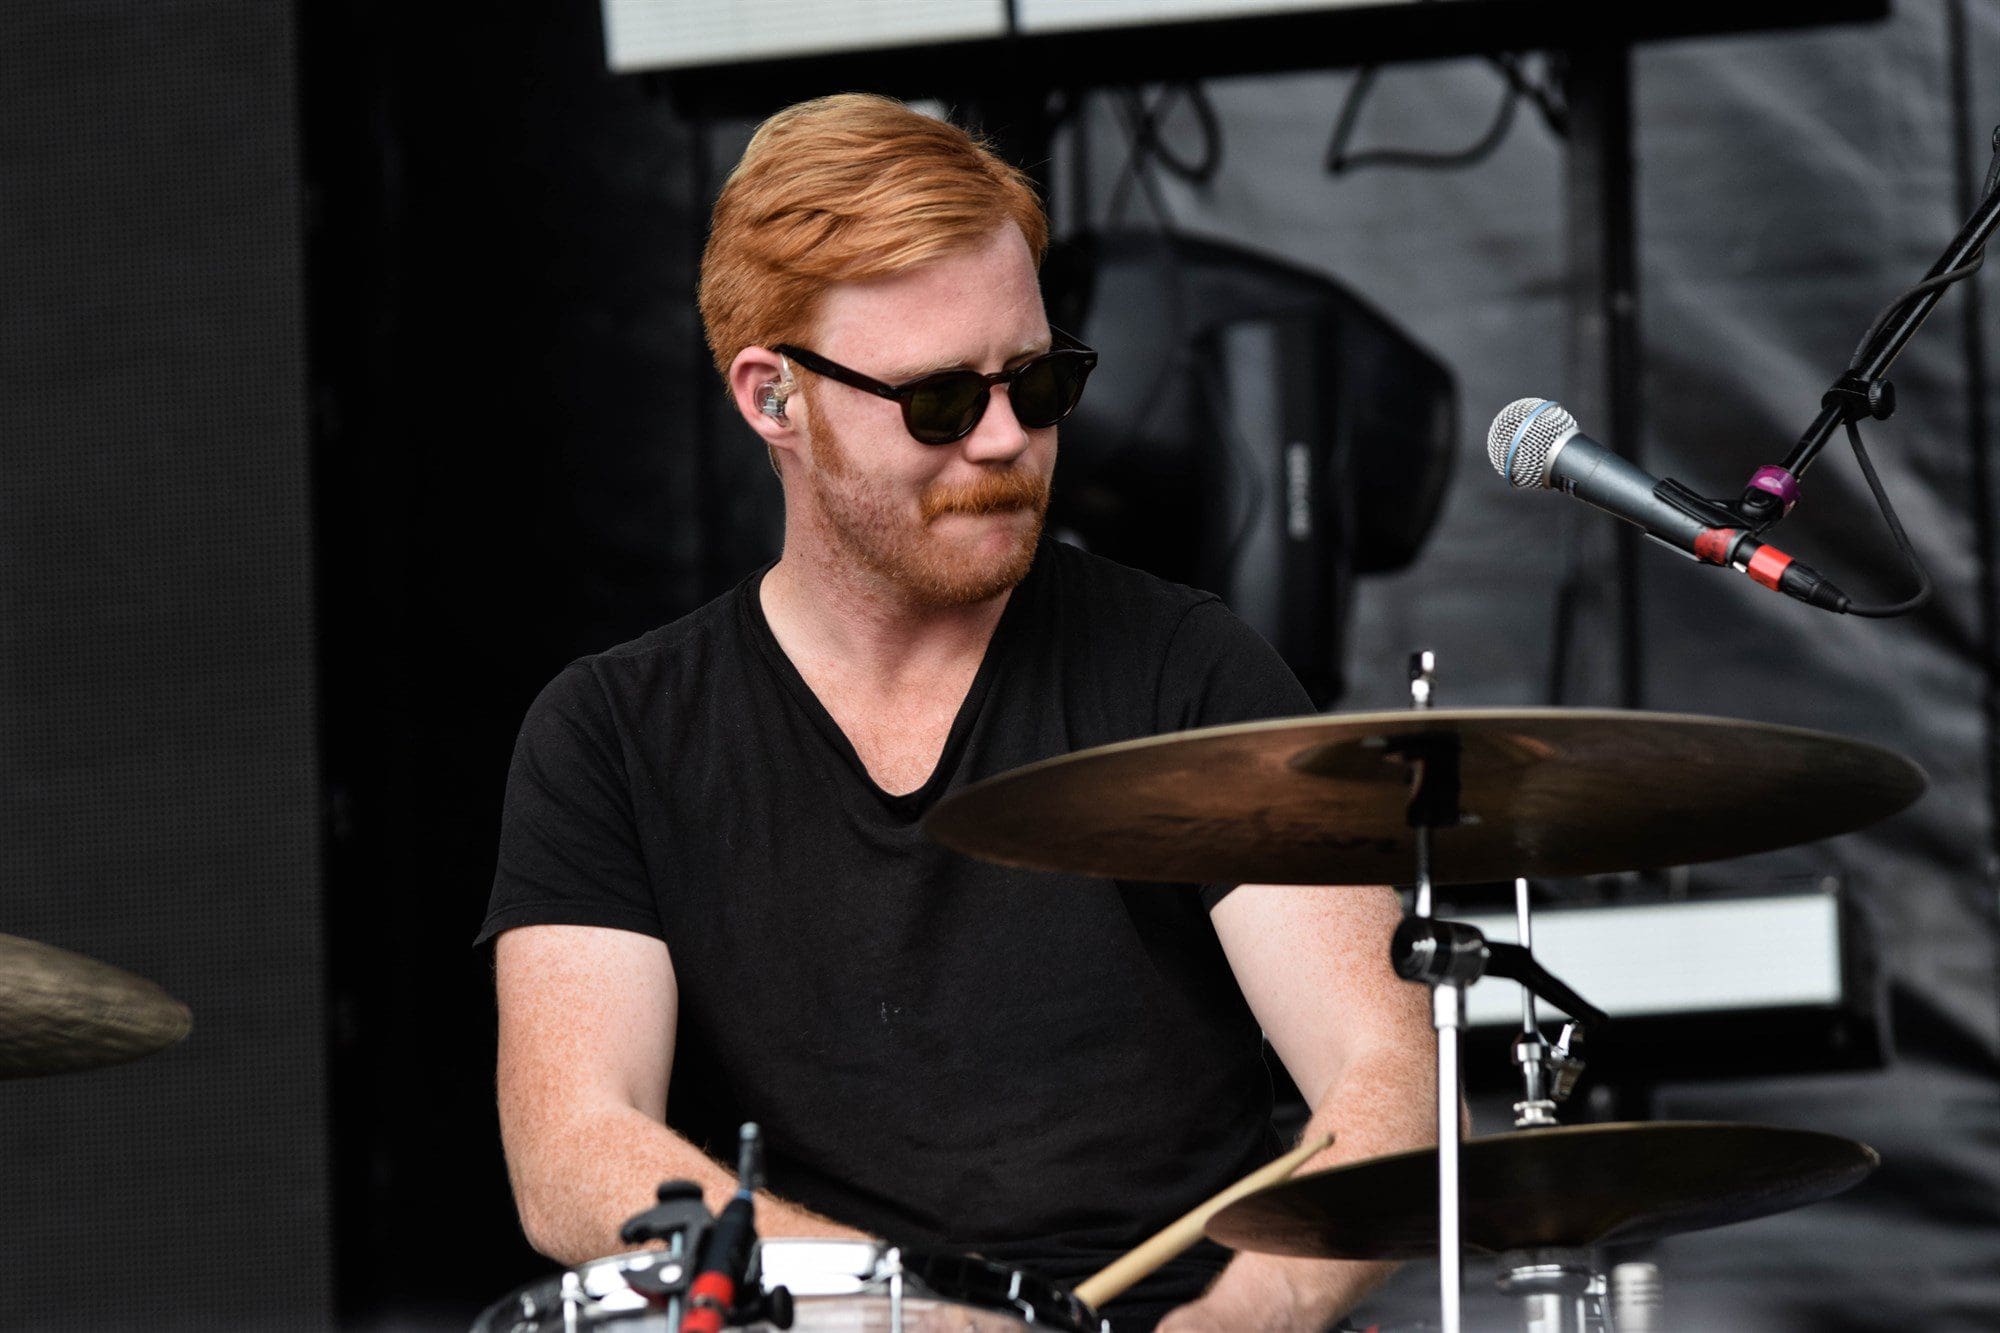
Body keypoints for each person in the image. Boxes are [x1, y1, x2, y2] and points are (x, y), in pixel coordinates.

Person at [481, 93, 1434, 1332]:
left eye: (1036, 382)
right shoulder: (611, 734)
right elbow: (569, 1148)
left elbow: (1390, 1078)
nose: (1002, 440)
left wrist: (1246, 1316)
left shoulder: (1187, 670)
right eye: (937, 400)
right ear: (773, 399)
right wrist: (910, 1312)